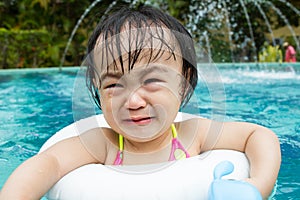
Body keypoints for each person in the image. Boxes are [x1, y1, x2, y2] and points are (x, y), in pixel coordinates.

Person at [0, 5, 281, 199]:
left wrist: (257, 185)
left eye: (151, 81)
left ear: (182, 86)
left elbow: (259, 135)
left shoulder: (191, 136)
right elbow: (48, 163)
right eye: (113, 85)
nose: (133, 101)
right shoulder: (104, 144)